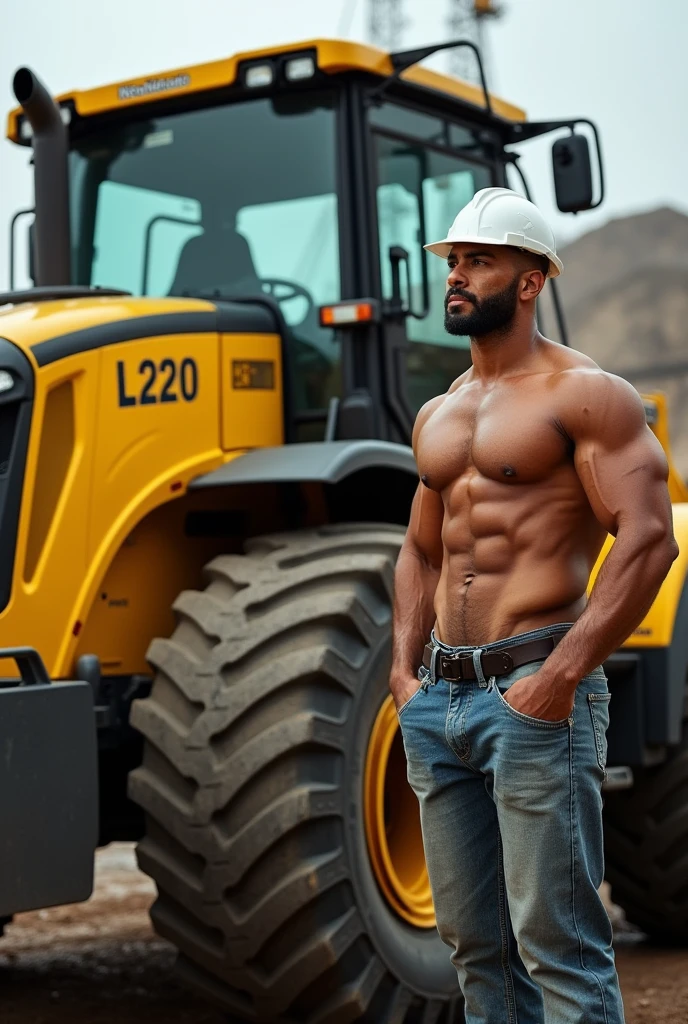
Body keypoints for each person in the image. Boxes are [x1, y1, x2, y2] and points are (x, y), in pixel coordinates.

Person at [391, 187, 678, 1024]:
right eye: (454, 261)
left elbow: (648, 538)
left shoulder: (586, 394)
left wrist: (561, 677)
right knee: (477, 949)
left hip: (534, 699)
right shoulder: (440, 411)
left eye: (478, 260)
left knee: (559, 947)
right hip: (439, 702)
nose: (458, 275)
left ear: (528, 280)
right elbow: (420, 547)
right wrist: (404, 677)